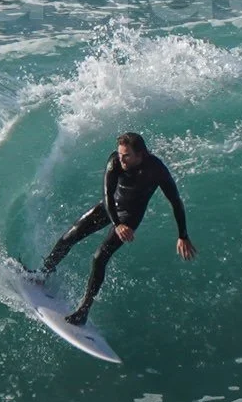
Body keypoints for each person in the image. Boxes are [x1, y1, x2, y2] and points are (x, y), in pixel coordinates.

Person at [40, 132, 195, 325]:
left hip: (130, 217)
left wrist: (183, 235)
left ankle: (83, 311)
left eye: (126, 155)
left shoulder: (156, 170)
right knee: (69, 237)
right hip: (111, 207)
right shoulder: (115, 161)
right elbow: (107, 194)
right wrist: (116, 223)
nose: (120, 158)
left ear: (140, 155)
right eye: (120, 154)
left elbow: (175, 201)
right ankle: (42, 274)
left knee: (99, 257)